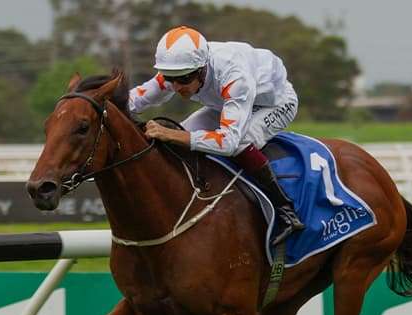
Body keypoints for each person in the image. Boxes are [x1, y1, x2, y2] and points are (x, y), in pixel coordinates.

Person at [128, 26, 305, 245]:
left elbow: (228, 142)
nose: (176, 86)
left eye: (183, 79)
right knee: (181, 134)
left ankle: (285, 211)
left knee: (240, 142)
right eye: (169, 78)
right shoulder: (180, 69)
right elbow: (136, 98)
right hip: (228, 102)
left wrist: (170, 134)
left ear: (202, 69)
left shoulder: (233, 74)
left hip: (275, 103)